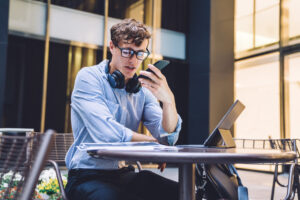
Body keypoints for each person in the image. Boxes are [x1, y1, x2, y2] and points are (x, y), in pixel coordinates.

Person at [65, 18, 182, 200]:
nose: (134, 60)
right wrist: (151, 144)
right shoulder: (88, 78)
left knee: (183, 193)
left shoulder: (142, 89)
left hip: (123, 175)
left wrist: (169, 100)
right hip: (86, 176)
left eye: (140, 53)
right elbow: (107, 134)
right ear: (111, 47)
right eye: (127, 51)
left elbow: (167, 135)